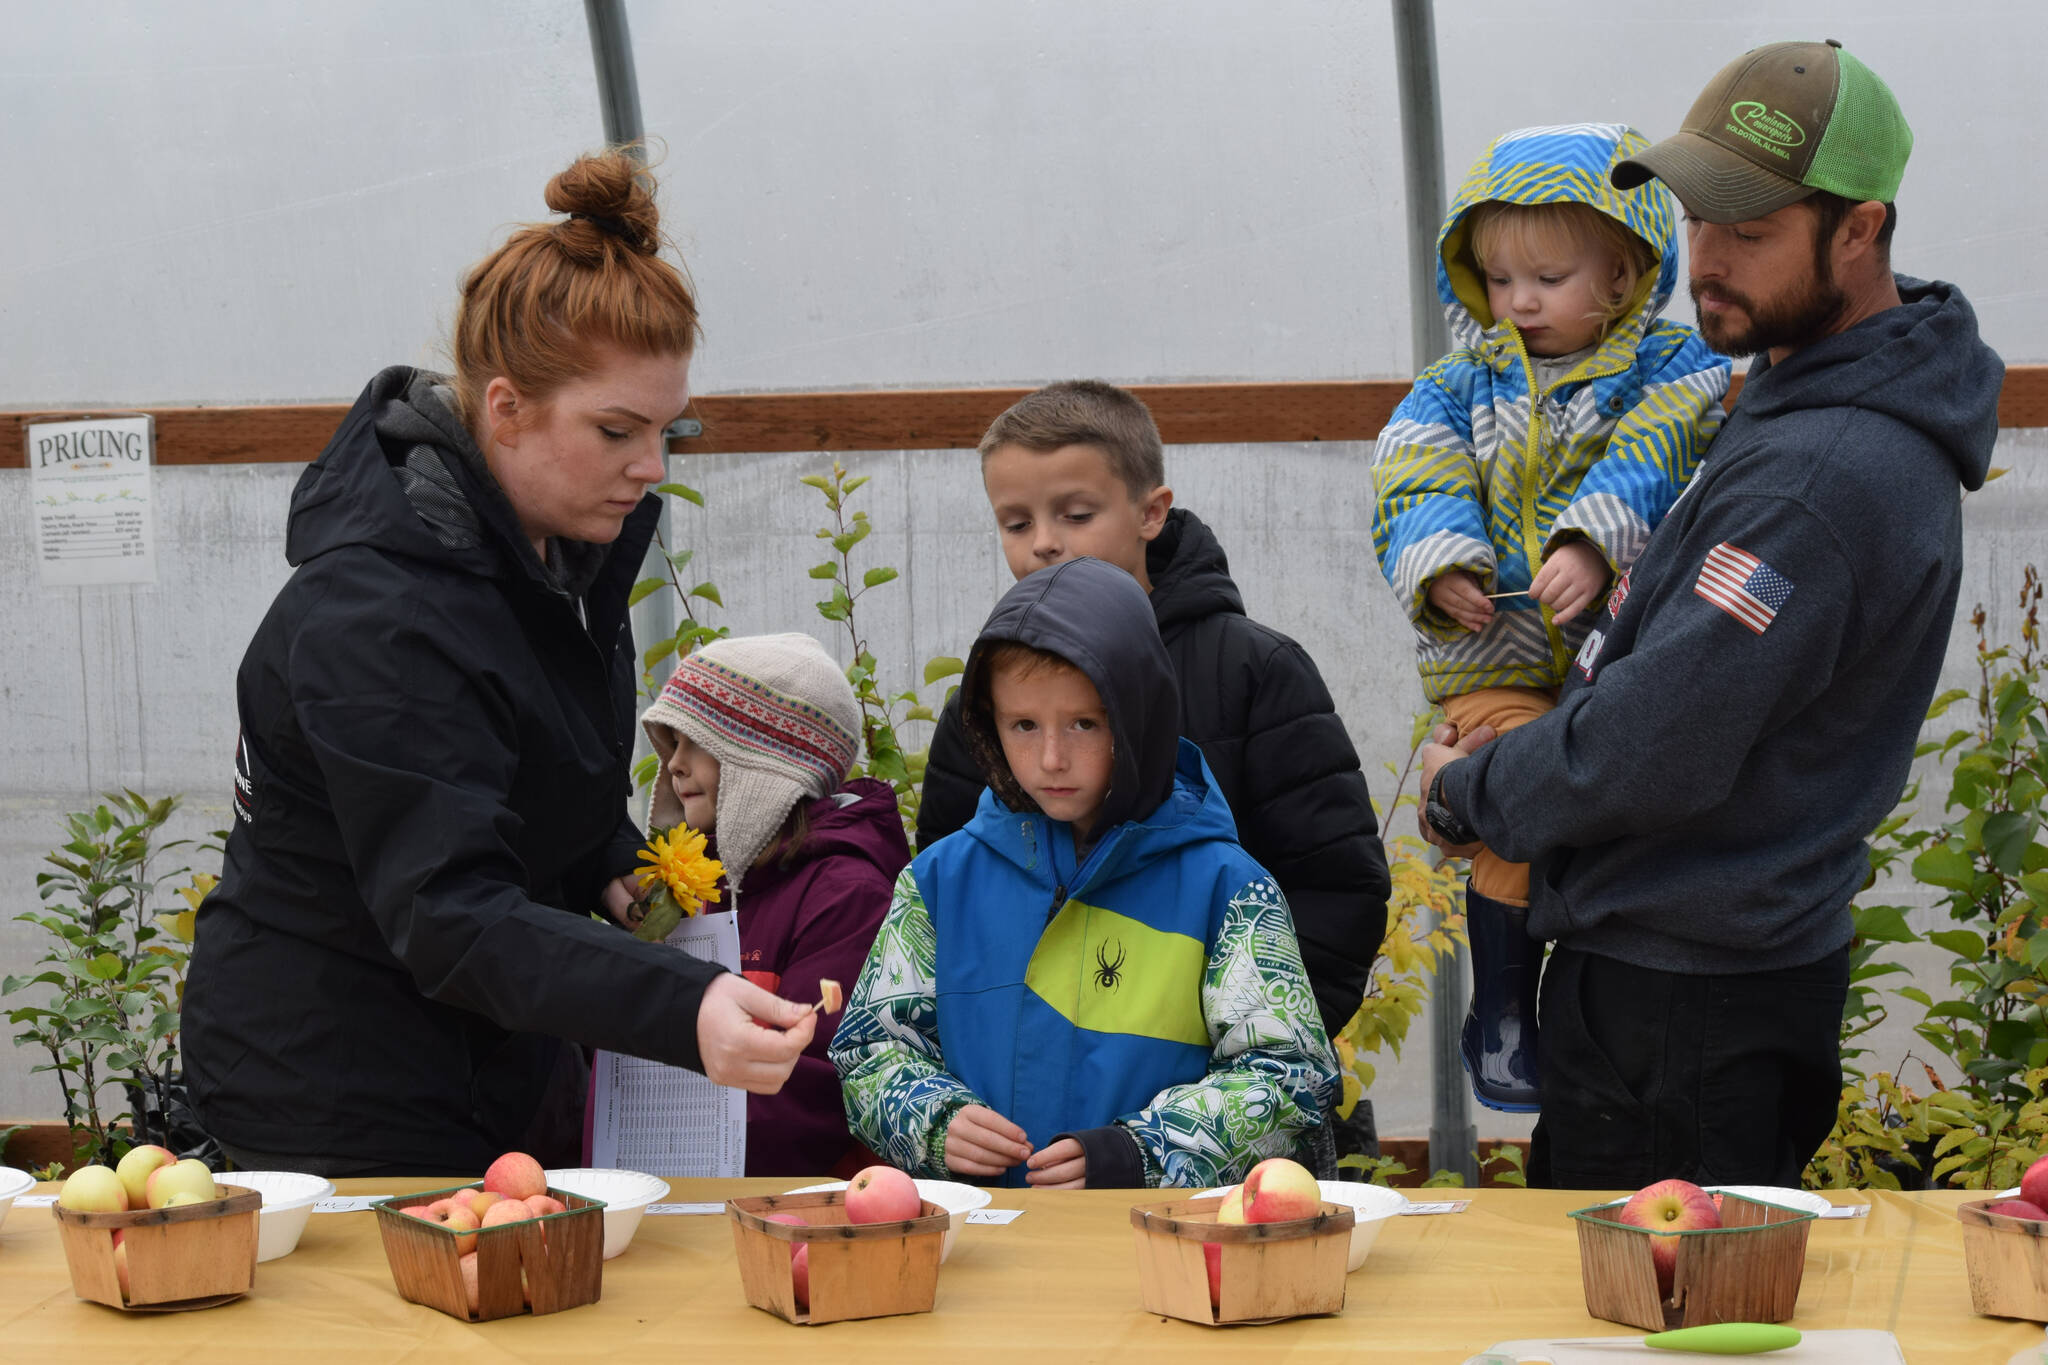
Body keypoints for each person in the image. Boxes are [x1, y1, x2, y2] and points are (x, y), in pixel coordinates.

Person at [1417, 40, 2003, 1188]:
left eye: (1749, 231)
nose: (1707, 263)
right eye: (1695, 223)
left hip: (1681, 1010)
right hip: (1701, 979)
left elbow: (1656, 739)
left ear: (1858, 229)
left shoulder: (1815, 476)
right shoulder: (1800, 395)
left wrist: (1463, 793)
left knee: (1653, 1334)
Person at [183, 151, 819, 1177]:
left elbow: (517, 772)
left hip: (479, 1057)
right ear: (505, 408)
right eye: (616, 430)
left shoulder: (548, 563)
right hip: (334, 1084)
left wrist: (605, 862)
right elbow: (445, 907)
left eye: (668, 430)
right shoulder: (377, 617)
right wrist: (684, 1004)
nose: (652, 467)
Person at [1371, 123, 1732, 1112]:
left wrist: (1589, 540)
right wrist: (1441, 562)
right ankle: (1499, 1010)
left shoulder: (1676, 366)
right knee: (1512, 800)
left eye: (1546, 278)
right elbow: (1412, 471)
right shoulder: (1460, 385)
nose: (1517, 303)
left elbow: (1658, 451)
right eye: (1496, 281)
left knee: (1602, 807)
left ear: (1621, 277)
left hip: (1619, 655)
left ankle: (1557, 1007)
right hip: (1488, 652)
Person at [916, 381, 1391, 1059]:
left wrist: (1235, 1068)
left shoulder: (1255, 673)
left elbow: (1335, 893)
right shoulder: (987, 696)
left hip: (1213, 1121)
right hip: (1021, 1112)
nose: (1044, 544)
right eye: (1016, 523)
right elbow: (942, 900)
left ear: (1151, 512)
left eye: (1076, 514)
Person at [832, 556, 1338, 1190]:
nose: (1050, 757)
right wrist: (933, 1120)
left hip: (1155, 1251)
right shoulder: (938, 883)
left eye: (1084, 723)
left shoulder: (1228, 889)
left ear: (1140, 717)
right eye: (1022, 725)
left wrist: (1142, 1152)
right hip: (983, 1256)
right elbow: (869, 1052)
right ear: (988, 727)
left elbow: (1289, 1075)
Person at [620, 633, 908, 1176]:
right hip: (680, 1188)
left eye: (694, 742)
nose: (674, 765)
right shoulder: (692, 883)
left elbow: (813, 1083)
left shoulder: (846, 896)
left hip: (795, 1210)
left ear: (764, 756)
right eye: (671, 744)